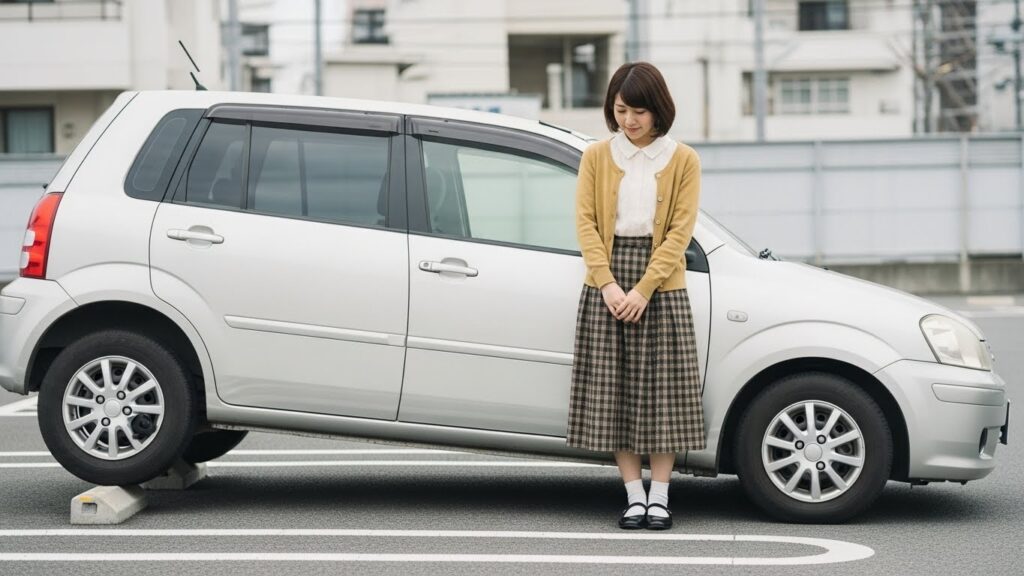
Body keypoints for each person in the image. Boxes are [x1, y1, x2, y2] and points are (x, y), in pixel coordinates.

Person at [566, 61, 705, 531]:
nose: (629, 120)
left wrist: (644, 289)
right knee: (616, 393)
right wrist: (607, 284)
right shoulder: (595, 156)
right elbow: (586, 223)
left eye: (639, 111)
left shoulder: (683, 159)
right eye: (621, 109)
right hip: (606, 281)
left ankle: (660, 496)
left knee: (664, 393)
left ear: (658, 109)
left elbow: (680, 232)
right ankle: (633, 496)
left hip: (661, 284)